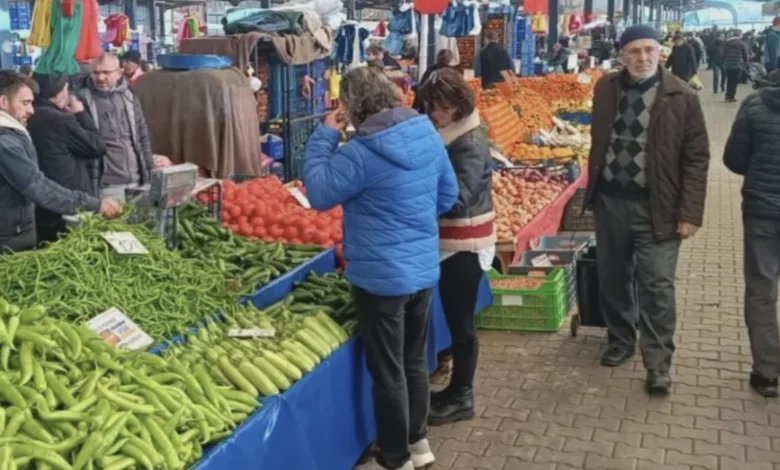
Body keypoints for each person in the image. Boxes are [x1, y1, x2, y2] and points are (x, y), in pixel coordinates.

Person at [303, 66, 458, 470]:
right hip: (422, 270)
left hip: (380, 277)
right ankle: (419, 444)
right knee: (414, 362)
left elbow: (319, 193)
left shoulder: (360, 153)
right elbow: (448, 195)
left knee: (388, 371)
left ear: (354, 107)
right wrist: (412, 218)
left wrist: (324, 135)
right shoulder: (427, 134)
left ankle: (395, 455)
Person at [586, 25, 710, 395]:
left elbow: (697, 158)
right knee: (613, 277)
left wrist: (689, 213)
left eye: (649, 50)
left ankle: (658, 363)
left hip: (658, 208)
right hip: (611, 201)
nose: (642, 58)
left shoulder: (681, 96)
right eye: (634, 51)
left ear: (661, 52)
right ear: (622, 56)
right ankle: (621, 339)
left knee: (656, 285)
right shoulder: (606, 88)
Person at [417, 68, 495, 426]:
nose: (437, 114)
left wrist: (414, 193)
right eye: (433, 106)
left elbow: (459, 199)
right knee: (455, 317)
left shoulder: (469, 143)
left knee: (462, 323)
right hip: (451, 240)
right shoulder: (451, 133)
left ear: (460, 105)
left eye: (444, 107)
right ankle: (455, 390)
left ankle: (463, 395)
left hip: (465, 242)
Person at [0, 71, 121, 252]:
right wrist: (92, 204)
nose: (31, 110)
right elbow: (36, 186)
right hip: (9, 238)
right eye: (25, 103)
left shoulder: (11, 135)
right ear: (3, 102)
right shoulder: (5, 142)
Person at [723, 85, 780, 398]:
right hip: (763, 210)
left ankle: (767, 373)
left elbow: (734, 159)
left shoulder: (755, 103)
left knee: (761, 290)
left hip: (763, 213)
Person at [75, 53, 169, 201]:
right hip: (106, 186)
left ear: (119, 73)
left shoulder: (129, 96)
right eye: (96, 72)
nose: (100, 78)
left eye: (106, 72)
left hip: (137, 180)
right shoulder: (81, 100)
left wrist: (149, 173)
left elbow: (142, 137)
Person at [27, 73, 107, 244]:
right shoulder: (61, 120)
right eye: (66, 89)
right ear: (58, 93)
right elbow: (97, 146)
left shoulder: (28, 116)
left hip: (37, 202)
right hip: (67, 201)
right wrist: (81, 114)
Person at [722, 31, 749, 102]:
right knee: (734, 82)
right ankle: (731, 96)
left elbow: (723, 54)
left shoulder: (726, 43)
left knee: (729, 80)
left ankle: (727, 95)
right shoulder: (741, 43)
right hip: (737, 65)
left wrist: (724, 61)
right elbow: (745, 54)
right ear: (739, 35)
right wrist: (746, 62)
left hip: (728, 65)